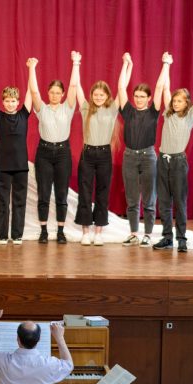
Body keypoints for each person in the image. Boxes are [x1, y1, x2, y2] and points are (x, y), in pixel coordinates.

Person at [74, 56, 128, 246]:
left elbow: (123, 88)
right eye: (95, 94)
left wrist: (125, 65)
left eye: (101, 95)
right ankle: (85, 232)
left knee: (102, 193)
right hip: (87, 155)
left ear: (107, 96)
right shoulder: (85, 108)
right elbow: (76, 87)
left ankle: (98, 232)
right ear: (92, 96)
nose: (98, 97)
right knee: (85, 192)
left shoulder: (113, 109)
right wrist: (76, 64)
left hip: (104, 155)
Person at [152, 53, 193, 253]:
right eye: (175, 100)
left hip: (178, 163)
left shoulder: (190, 117)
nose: (175, 103)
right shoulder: (167, 113)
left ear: (187, 104)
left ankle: (182, 238)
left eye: (180, 101)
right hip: (162, 161)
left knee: (179, 202)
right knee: (164, 201)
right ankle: (167, 237)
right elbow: (165, 88)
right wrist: (166, 64)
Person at [118, 52, 169, 247]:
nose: (138, 99)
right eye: (136, 96)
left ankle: (148, 234)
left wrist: (165, 63)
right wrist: (126, 64)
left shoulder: (154, 111)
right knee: (132, 199)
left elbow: (159, 86)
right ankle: (133, 233)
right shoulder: (128, 110)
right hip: (130, 156)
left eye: (142, 97)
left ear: (148, 98)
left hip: (148, 157)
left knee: (149, 199)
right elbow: (121, 86)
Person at [28, 53, 80, 244]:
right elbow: (33, 92)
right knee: (43, 193)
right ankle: (43, 230)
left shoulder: (68, 107)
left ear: (63, 94)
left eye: (58, 92)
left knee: (61, 194)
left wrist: (75, 63)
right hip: (44, 154)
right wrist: (32, 68)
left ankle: (60, 231)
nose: (55, 95)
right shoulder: (42, 108)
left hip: (63, 154)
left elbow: (74, 86)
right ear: (48, 93)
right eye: (52, 92)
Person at [0, 58, 32, 244]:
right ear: (3, 102)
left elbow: (31, 92)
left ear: (18, 102)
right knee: (2, 203)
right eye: (7, 101)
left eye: (13, 101)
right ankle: (2, 235)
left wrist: (32, 69)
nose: (10, 104)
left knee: (19, 202)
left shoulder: (24, 115)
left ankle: (17, 234)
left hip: (20, 167)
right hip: (2, 167)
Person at [0, 309, 73, 384]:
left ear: (17, 339)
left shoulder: (2, 360)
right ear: (39, 340)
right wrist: (60, 338)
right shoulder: (50, 364)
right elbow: (69, 364)